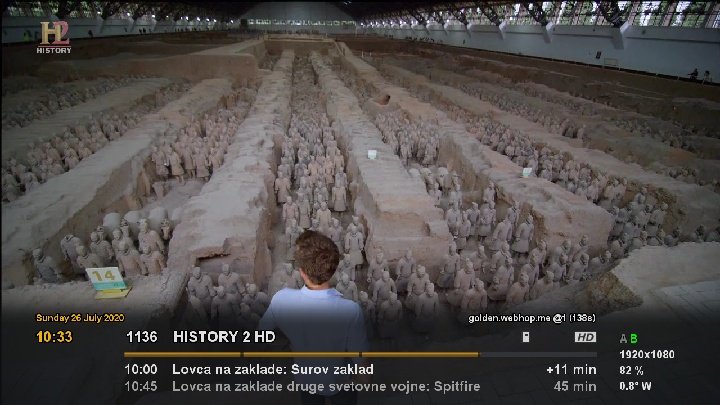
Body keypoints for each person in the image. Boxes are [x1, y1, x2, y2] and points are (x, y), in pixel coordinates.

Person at [259, 230, 369, 405]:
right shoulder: (350, 311)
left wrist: (290, 343)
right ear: (333, 269)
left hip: (306, 381)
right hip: (340, 383)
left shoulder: (281, 300)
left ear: (301, 272)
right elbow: (363, 373)